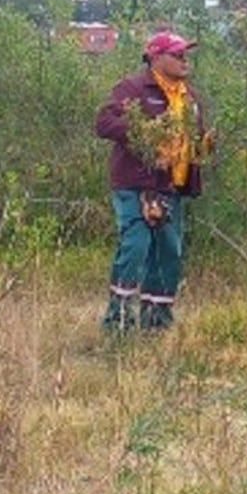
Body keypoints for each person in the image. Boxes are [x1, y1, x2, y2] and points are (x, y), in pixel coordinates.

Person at [95, 30, 213, 332]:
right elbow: (104, 123)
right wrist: (147, 130)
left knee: (168, 253)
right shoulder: (132, 87)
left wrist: (204, 147)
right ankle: (117, 320)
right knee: (135, 245)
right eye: (177, 54)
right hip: (136, 184)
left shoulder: (190, 97)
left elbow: (193, 140)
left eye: (185, 53)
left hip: (171, 187)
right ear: (155, 58)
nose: (185, 60)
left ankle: (156, 323)